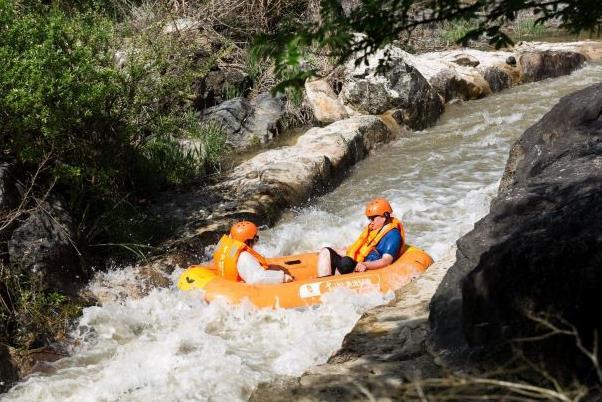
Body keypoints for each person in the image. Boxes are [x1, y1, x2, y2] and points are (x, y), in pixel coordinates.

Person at [317, 198, 405, 277]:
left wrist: (365, 265)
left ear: (384, 217)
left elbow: (386, 261)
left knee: (346, 262)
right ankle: (322, 283)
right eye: (369, 219)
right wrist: (336, 250)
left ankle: (331, 285)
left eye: (373, 218)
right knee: (326, 251)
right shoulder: (373, 230)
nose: (371, 222)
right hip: (356, 262)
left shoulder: (393, 235)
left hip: (366, 267)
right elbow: (359, 250)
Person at [213, 221, 294, 284]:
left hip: (228, 282)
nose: (257, 240)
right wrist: (282, 277)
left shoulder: (229, 250)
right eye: (256, 238)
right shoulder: (244, 257)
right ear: (247, 241)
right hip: (242, 291)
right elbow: (256, 278)